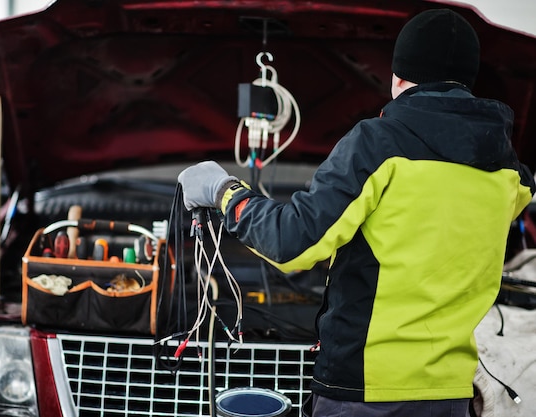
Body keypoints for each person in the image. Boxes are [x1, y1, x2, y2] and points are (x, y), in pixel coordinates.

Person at [178, 8, 536, 417]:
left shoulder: (379, 144)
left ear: (398, 77)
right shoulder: (508, 174)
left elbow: (294, 242)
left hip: (364, 392)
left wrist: (223, 191)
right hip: (450, 394)